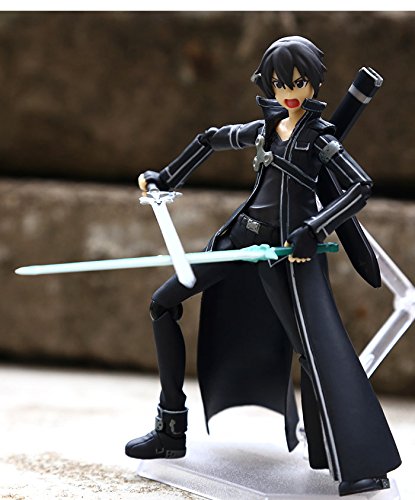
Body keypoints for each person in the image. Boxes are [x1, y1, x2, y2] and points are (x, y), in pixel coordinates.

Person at [125, 36, 401, 496]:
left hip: (285, 252)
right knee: (162, 304)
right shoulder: (266, 129)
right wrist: (165, 177)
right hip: (240, 238)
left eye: (298, 82)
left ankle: (357, 462)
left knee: (315, 351)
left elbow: (360, 188)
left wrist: (313, 229)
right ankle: (171, 429)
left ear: (314, 84)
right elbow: (210, 139)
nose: (290, 92)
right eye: (280, 83)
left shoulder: (320, 139)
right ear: (268, 85)